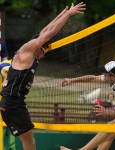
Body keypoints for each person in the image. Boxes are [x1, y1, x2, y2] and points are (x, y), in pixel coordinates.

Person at [0, 2, 86, 150]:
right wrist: (68, 15)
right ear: (37, 46)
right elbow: (49, 33)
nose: (44, 53)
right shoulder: (26, 51)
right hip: (12, 104)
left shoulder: (30, 53)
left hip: (12, 103)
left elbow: (45, 30)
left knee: (29, 142)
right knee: (30, 143)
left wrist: (61, 14)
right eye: (43, 50)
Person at [60, 60, 115, 150]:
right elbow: (93, 78)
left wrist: (107, 112)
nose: (103, 73)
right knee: (108, 135)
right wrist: (72, 80)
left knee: (110, 128)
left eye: (105, 72)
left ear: (113, 77)